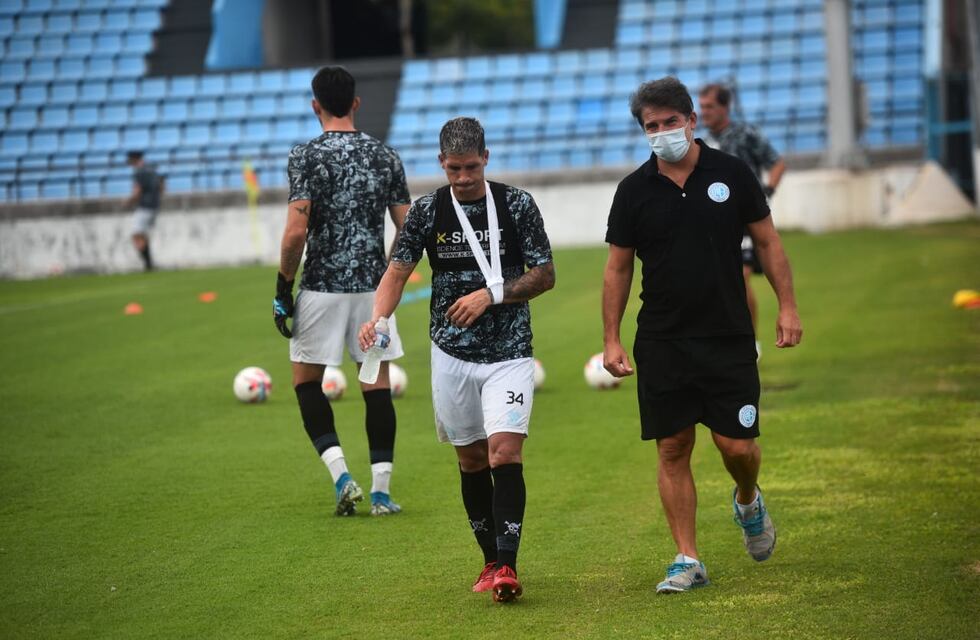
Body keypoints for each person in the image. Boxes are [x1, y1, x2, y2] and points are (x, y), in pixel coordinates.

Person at [602, 77, 802, 594]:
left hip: (727, 335)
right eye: (652, 126)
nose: (662, 132)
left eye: (671, 122)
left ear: (691, 121)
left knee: (737, 447)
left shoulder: (732, 173)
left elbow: (767, 241)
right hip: (662, 339)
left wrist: (787, 306)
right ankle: (687, 559)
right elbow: (618, 268)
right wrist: (612, 338)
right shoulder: (633, 191)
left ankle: (748, 499)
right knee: (672, 446)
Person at [359, 117, 554, 603]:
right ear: (441, 163)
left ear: (486, 158)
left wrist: (491, 294)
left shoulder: (516, 204)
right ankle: (489, 560)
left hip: (509, 351)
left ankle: (508, 565)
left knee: (504, 453)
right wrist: (377, 319)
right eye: (453, 169)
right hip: (450, 353)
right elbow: (397, 273)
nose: (463, 177)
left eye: (470, 167)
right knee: (470, 459)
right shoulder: (427, 212)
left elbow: (545, 275)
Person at [273, 66, 411, 518]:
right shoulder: (385, 155)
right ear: (355, 103)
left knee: (306, 382)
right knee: (376, 383)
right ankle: (381, 493)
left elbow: (296, 232)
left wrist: (283, 287)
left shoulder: (305, 156)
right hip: (373, 292)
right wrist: (390, 273)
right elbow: (407, 226)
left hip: (321, 287)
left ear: (315, 105)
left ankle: (342, 477)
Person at [698, 83, 787, 355]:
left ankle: (750, 342)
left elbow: (777, 162)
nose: (704, 112)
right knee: (716, 280)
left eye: (710, 106)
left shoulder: (746, 134)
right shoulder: (701, 142)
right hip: (715, 221)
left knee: (740, 275)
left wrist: (767, 191)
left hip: (745, 219)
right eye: (702, 107)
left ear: (725, 107)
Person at [125, 150, 165, 271]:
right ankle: (149, 263)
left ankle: (148, 264)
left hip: (144, 207)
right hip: (154, 206)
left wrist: (128, 201)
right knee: (142, 234)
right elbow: (162, 186)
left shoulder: (139, 171)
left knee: (136, 234)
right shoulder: (152, 169)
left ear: (133, 159)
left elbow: (137, 191)